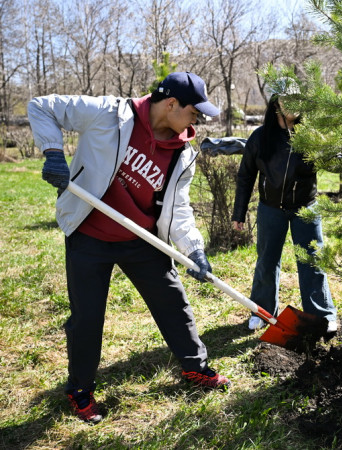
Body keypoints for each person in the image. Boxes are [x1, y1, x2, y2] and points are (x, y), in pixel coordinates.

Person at [28, 72, 231, 424]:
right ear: (171, 104)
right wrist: (52, 152)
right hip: (90, 234)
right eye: (194, 111)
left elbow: (178, 208)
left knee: (173, 302)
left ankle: (195, 368)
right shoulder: (108, 113)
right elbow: (41, 107)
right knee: (87, 318)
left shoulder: (183, 154)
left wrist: (194, 249)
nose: (197, 119)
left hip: (142, 238)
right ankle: (80, 390)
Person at [232, 79, 342, 335]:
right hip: (270, 209)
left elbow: (330, 161)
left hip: (305, 209)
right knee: (267, 262)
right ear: (276, 103)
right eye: (288, 99)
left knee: (312, 262)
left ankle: (322, 315)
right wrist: (239, 212)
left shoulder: (310, 135)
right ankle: (262, 311)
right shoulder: (260, 138)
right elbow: (246, 176)